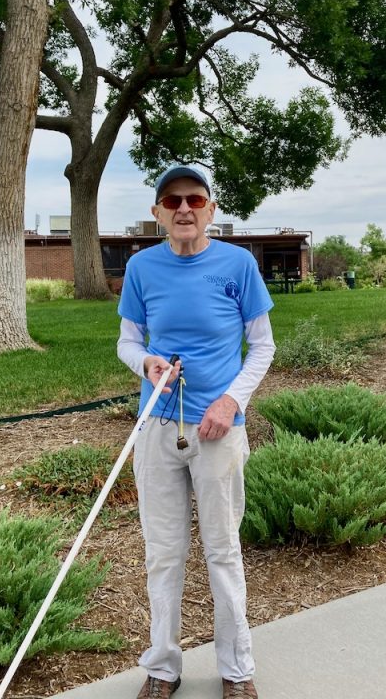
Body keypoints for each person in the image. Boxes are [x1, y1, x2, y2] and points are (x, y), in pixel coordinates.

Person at [117, 164, 275, 699]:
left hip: (218, 430)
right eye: (172, 200)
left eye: (194, 199)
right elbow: (128, 342)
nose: (184, 208)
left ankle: (237, 669)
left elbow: (263, 346)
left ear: (210, 209)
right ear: (158, 213)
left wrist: (231, 401)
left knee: (223, 549)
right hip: (157, 428)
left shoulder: (238, 264)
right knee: (163, 552)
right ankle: (163, 667)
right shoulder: (141, 267)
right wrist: (147, 365)